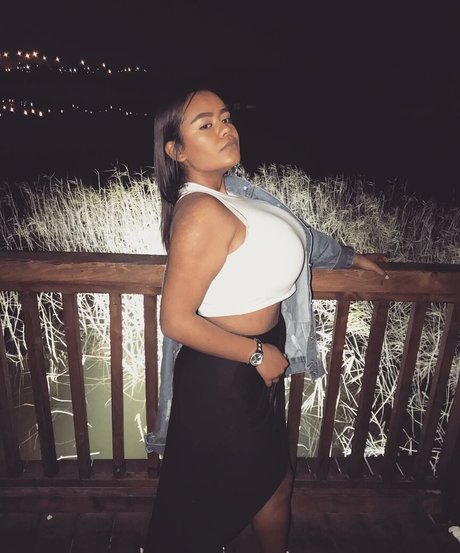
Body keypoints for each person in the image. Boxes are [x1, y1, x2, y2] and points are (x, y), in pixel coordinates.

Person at [143, 88, 387, 553]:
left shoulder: (238, 194)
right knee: (237, 488)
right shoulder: (200, 211)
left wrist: (350, 257)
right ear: (176, 151)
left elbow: (302, 238)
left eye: (226, 117)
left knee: (271, 481)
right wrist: (256, 354)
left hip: (248, 367)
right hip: (226, 372)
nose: (226, 129)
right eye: (206, 124)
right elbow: (174, 320)